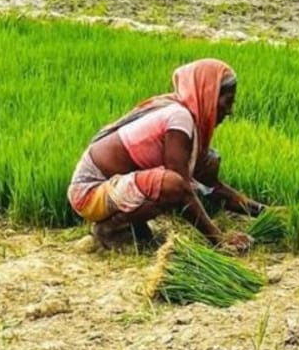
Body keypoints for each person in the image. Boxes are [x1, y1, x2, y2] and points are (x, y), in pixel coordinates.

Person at [67, 59, 265, 251]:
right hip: (90, 193)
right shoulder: (180, 117)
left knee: (208, 162)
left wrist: (263, 212)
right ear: (209, 94)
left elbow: (212, 188)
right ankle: (111, 229)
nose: (229, 111)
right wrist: (219, 240)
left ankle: (133, 227)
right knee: (171, 184)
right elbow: (180, 188)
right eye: (227, 101)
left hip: (116, 188)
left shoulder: (186, 120)